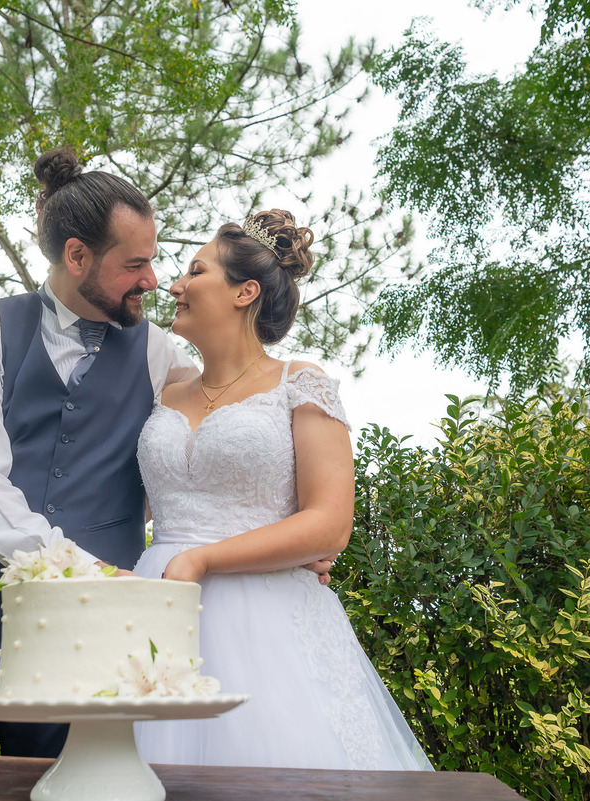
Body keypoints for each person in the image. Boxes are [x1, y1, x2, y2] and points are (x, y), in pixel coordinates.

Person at [0, 148, 201, 756]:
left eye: (152, 261)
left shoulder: (166, 358)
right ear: (77, 256)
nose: (153, 280)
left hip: (92, 636)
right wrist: (83, 568)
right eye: (135, 263)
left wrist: (281, 540)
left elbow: (210, 463)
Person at [132, 209, 434, 771]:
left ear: (245, 291)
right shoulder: (165, 390)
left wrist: (200, 559)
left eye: (195, 272)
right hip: (154, 609)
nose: (174, 285)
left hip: (265, 618)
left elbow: (329, 524)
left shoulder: (301, 382)